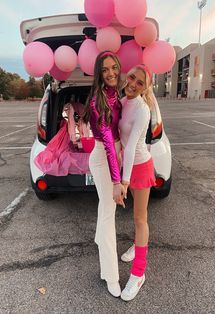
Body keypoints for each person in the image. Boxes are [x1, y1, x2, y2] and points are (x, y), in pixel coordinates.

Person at [83, 51, 125, 297]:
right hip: (103, 157)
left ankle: (100, 241)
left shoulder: (116, 94)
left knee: (104, 209)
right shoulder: (97, 101)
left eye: (113, 68)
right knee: (109, 214)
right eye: (105, 70)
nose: (110, 73)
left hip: (113, 154)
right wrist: (117, 181)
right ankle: (110, 275)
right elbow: (108, 142)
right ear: (99, 74)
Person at [118, 64, 156, 301]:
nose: (133, 84)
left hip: (140, 166)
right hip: (127, 165)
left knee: (140, 219)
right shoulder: (122, 101)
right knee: (136, 215)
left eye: (140, 82)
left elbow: (131, 146)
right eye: (132, 77)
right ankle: (135, 245)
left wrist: (124, 180)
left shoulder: (143, 109)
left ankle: (138, 273)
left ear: (145, 88)